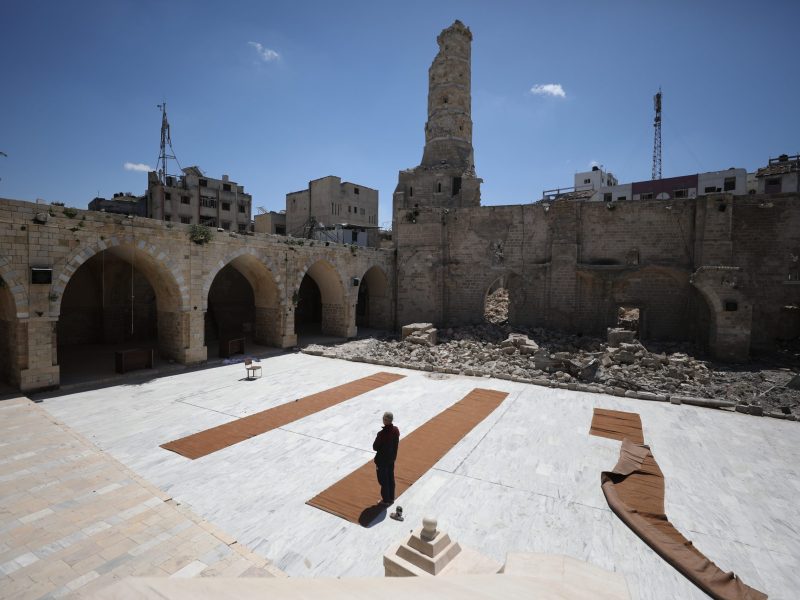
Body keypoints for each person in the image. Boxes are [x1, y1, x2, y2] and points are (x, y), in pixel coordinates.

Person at [373, 411, 399, 506]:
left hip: (382, 461)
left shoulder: (382, 434)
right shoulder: (396, 430)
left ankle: (386, 500)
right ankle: (391, 497)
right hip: (391, 459)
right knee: (390, 478)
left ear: (385, 420)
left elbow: (375, 447)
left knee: (383, 480)